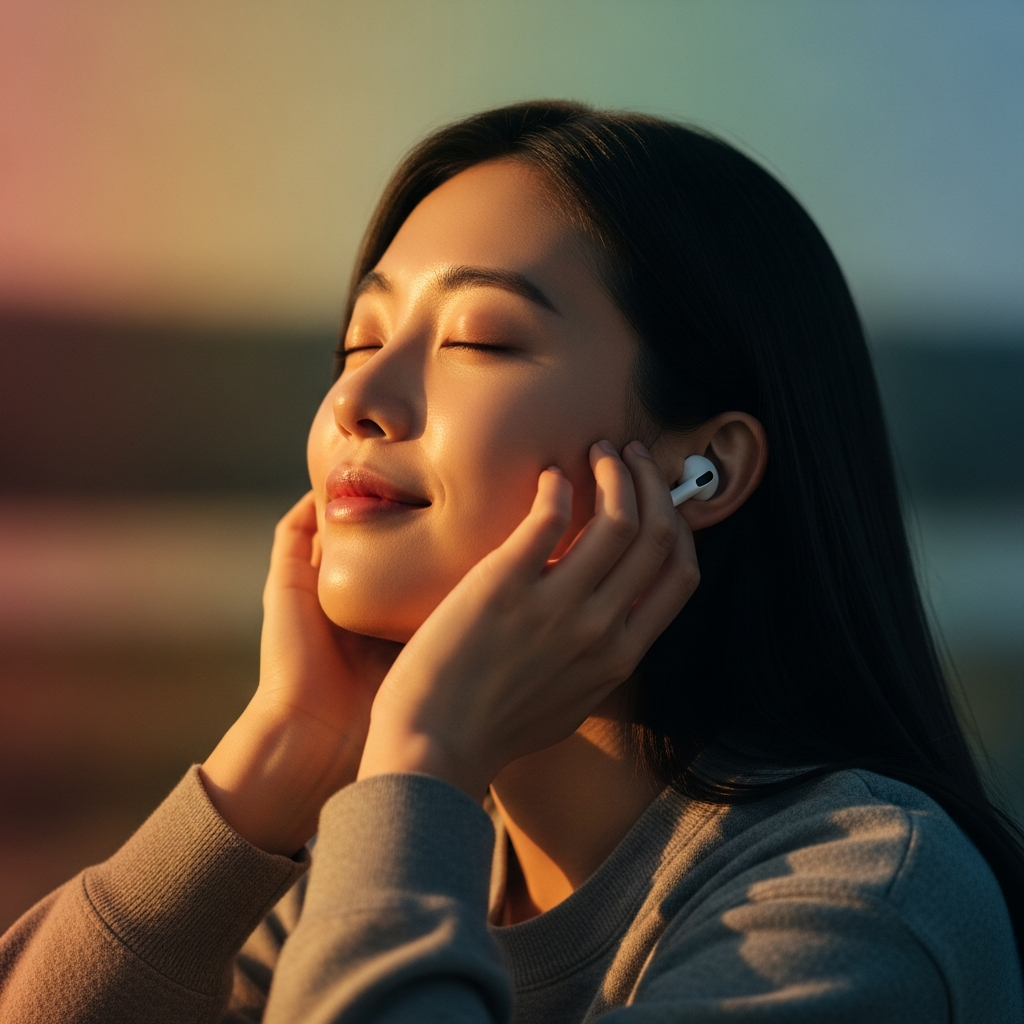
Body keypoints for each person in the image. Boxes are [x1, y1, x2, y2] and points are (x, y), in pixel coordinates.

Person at [1, 101, 1021, 1023]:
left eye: (479, 340)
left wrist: (422, 760)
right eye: (359, 343)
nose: (359, 400)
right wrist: (283, 753)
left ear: (702, 468)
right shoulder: (366, 869)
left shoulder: (856, 902)